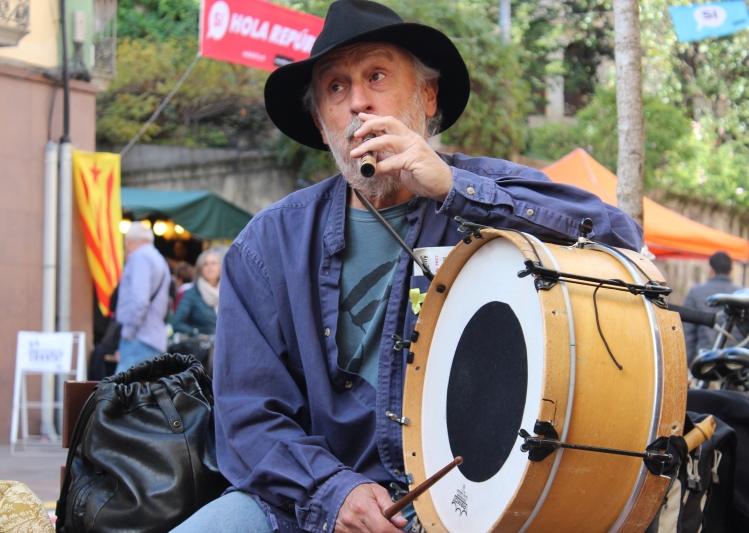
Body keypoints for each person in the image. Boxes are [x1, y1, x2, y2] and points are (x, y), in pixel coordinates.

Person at [173, 1, 642, 532]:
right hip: (307, 505)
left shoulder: (481, 190)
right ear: (321, 122)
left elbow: (618, 238)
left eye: (377, 76)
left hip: (472, 505)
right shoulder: (269, 244)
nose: (358, 102)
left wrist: (453, 187)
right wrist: (333, 492)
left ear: (427, 95)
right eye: (335, 88)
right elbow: (247, 417)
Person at [114, 222, 171, 374]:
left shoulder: (139, 257)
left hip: (139, 339)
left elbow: (139, 301)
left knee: (122, 388)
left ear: (129, 241)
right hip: (154, 338)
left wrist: (129, 332)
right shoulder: (158, 258)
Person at [683, 251, 742, 365]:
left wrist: (692, 362)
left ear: (711, 270)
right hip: (738, 363)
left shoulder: (695, 293)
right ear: (731, 269)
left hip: (705, 362)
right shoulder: (742, 296)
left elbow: (687, 331)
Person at [172, 249, 221, 336]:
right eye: (205, 264)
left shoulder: (227, 293)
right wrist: (198, 334)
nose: (210, 267)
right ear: (200, 269)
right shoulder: (192, 293)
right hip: (203, 343)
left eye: (213, 263)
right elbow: (177, 323)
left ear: (220, 267)